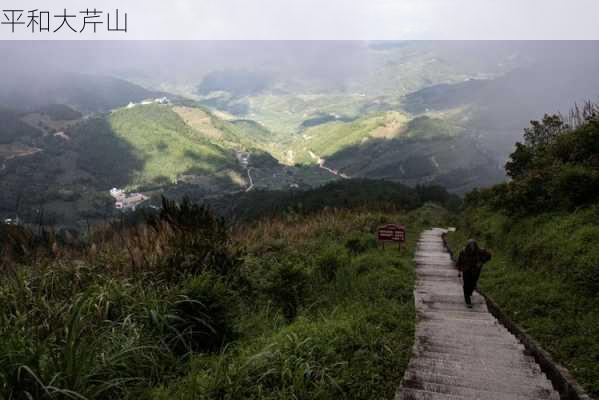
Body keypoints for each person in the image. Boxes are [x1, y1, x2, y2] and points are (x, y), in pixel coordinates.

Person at [456, 239, 491, 308]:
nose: (472, 248)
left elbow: (489, 256)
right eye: (470, 246)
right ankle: (467, 300)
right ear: (468, 246)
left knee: (473, 284)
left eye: (473, 246)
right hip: (466, 270)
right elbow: (459, 261)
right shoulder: (463, 252)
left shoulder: (480, 251)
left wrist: (481, 262)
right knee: (466, 284)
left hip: (475, 271)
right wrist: (459, 270)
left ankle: (469, 292)